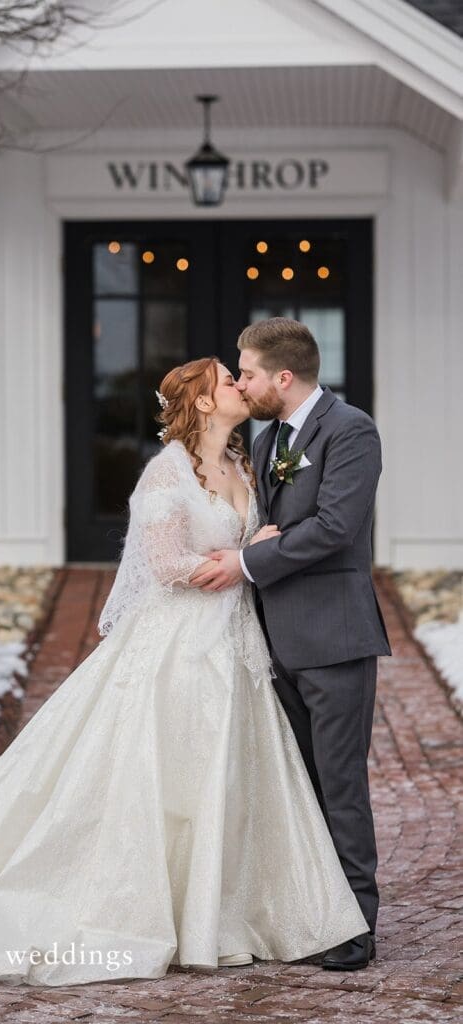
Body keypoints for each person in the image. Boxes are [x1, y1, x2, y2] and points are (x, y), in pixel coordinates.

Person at [0, 356, 370, 987]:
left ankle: (225, 910)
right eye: (228, 379)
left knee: (230, 770)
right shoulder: (166, 471)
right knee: (159, 773)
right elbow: (166, 565)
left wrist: (256, 553)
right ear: (200, 402)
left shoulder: (247, 462)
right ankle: (151, 907)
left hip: (237, 646)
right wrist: (250, 551)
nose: (238, 384)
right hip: (177, 646)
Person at [188, 321, 391, 971]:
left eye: (245, 372)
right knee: (297, 787)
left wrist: (248, 562)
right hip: (272, 638)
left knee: (338, 784)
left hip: (332, 636)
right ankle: (310, 910)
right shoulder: (269, 434)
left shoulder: (350, 430)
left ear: (282, 377)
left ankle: (355, 923)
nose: (239, 383)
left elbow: (334, 527)